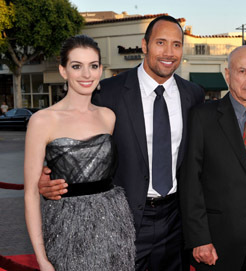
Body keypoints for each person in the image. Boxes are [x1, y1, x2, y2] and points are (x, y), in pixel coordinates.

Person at [38, 16, 204, 271]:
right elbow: (70, 136)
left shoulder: (193, 94)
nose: (169, 52)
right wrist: (47, 175)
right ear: (145, 45)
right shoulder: (108, 92)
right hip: (121, 220)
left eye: (176, 44)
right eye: (161, 42)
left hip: (176, 221)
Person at [24, 35, 135, 271]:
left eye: (93, 66)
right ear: (63, 71)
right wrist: (42, 259)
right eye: (77, 66)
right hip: (65, 229)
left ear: (100, 69)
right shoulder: (42, 120)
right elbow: (31, 195)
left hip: (113, 225)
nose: (86, 74)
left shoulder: (108, 116)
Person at [180, 45, 246, 271]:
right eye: (242, 71)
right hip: (217, 246)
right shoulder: (202, 117)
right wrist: (199, 238)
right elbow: (191, 182)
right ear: (227, 75)